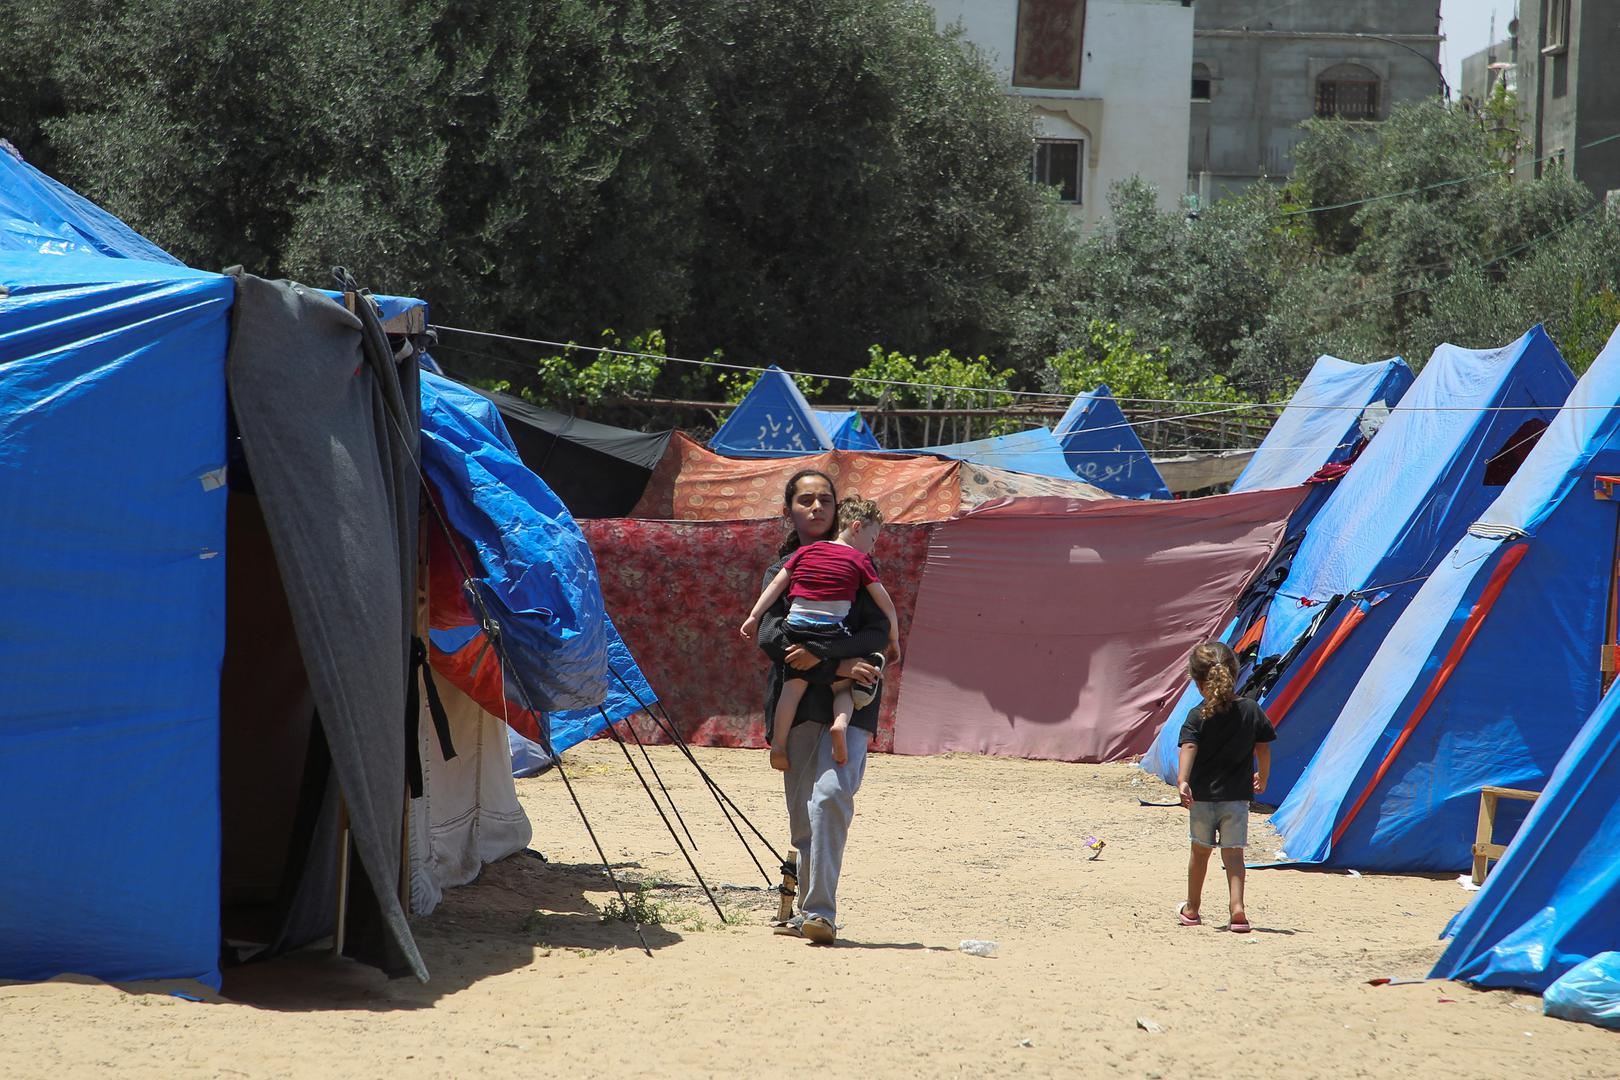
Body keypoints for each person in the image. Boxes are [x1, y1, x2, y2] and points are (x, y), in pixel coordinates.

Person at [756, 470, 887, 945]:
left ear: (838, 510)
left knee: (829, 800)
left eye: (824, 500)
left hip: (849, 706)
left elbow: (880, 632)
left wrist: (835, 657)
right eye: (804, 500)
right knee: (802, 819)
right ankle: (800, 908)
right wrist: (831, 658)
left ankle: (820, 913)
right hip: (796, 705)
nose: (815, 508)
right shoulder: (783, 570)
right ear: (790, 510)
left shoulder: (857, 565)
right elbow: (768, 635)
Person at [740, 496, 900, 770]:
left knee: (790, 690)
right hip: (831, 631)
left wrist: (753, 616)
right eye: (873, 539)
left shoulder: (805, 553)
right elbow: (885, 604)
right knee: (843, 688)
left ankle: (778, 746)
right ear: (857, 527)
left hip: (795, 627)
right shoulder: (861, 561)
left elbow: (778, 585)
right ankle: (841, 724)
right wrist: (895, 637)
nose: (872, 547)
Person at [1175, 641, 1275, 934]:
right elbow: (1263, 747)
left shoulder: (1198, 714)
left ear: (1195, 680)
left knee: (1200, 854)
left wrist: (1183, 780)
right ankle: (1237, 908)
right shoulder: (1251, 709)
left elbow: (1189, 746)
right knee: (1233, 856)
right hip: (1237, 800)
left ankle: (1192, 909)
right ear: (1234, 671)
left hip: (1203, 799)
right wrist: (1264, 775)